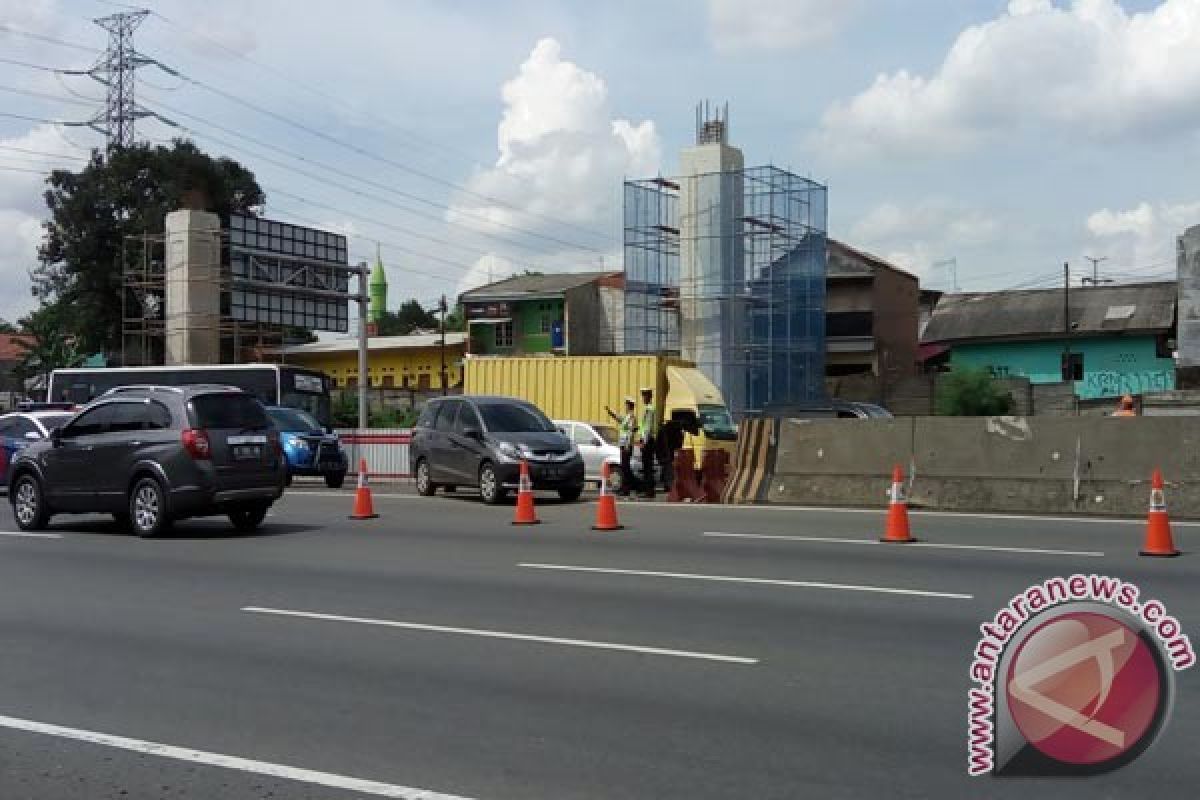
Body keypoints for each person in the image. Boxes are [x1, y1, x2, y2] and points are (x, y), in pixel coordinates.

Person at [605, 397, 638, 497]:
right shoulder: (627, 417)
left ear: (629, 406)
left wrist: (627, 445)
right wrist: (610, 413)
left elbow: (631, 432)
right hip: (623, 445)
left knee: (625, 467)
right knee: (624, 467)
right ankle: (627, 487)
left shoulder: (632, 417)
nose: (625, 407)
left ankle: (628, 488)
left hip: (627, 446)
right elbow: (619, 419)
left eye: (626, 405)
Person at [657, 412, 687, 494]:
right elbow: (677, 443)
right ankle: (669, 485)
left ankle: (667, 485)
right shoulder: (675, 430)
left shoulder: (665, 428)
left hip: (665, 453)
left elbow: (660, 442)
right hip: (669, 453)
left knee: (667, 469)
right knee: (669, 469)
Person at [637, 386, 657, 498]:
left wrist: (644, 441)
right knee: (647, 466)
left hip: (648, 441)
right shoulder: (649, 408)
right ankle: (649, 490)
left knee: (647, 467)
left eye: (645, 395)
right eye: (643, 395)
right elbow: (644, 427)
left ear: (649, 396)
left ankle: (649, 491)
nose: (643, 398)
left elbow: (648, 427)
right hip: (648, 440)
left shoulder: (649, 409)